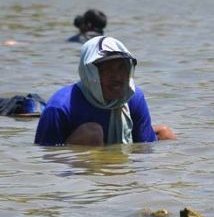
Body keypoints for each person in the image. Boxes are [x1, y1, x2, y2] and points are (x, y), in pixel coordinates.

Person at [35, 36, 176, 146]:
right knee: (93, 133)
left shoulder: (133, 98)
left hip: (110, 148)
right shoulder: (59, 107)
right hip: (80, 168)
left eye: (122, 67)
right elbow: (48, 157)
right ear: (89, 74)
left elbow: (143, 147)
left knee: (165, 133)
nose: (118, 76)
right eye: (107, 69)